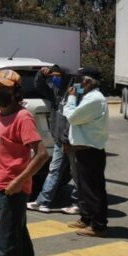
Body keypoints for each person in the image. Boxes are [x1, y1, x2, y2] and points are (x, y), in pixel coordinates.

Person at [0, 69, 49, 256]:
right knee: (19, 240)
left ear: (16, 92)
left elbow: (41, 154)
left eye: (4, 89)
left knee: (5, 246)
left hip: (11, 189)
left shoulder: (23, 117)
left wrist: (18, 180)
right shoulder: (0, 113)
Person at [63, 66, 110, 238]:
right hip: (84, 150)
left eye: (80, 80)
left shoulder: (94, 99)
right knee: (83, 188)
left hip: (91, 150)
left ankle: (99, 226)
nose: (77, 84)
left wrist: (72, 98)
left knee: (93, 190)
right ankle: (86, 218)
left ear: (88, 82)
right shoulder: (89, 97)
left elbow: (72, 117)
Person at [28, 65, 80, 214]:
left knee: (75, 173)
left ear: (65, 76)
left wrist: (65, 140)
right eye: (52, 77)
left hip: (71, 141)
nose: (54, 79)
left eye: (57, 76)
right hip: (59, 140)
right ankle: (42, 202)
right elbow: (39, 85)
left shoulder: (75, 91)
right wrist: (41, 74)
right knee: (54, 170)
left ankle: (79, 203)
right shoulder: (55, 92)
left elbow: (75, 118)